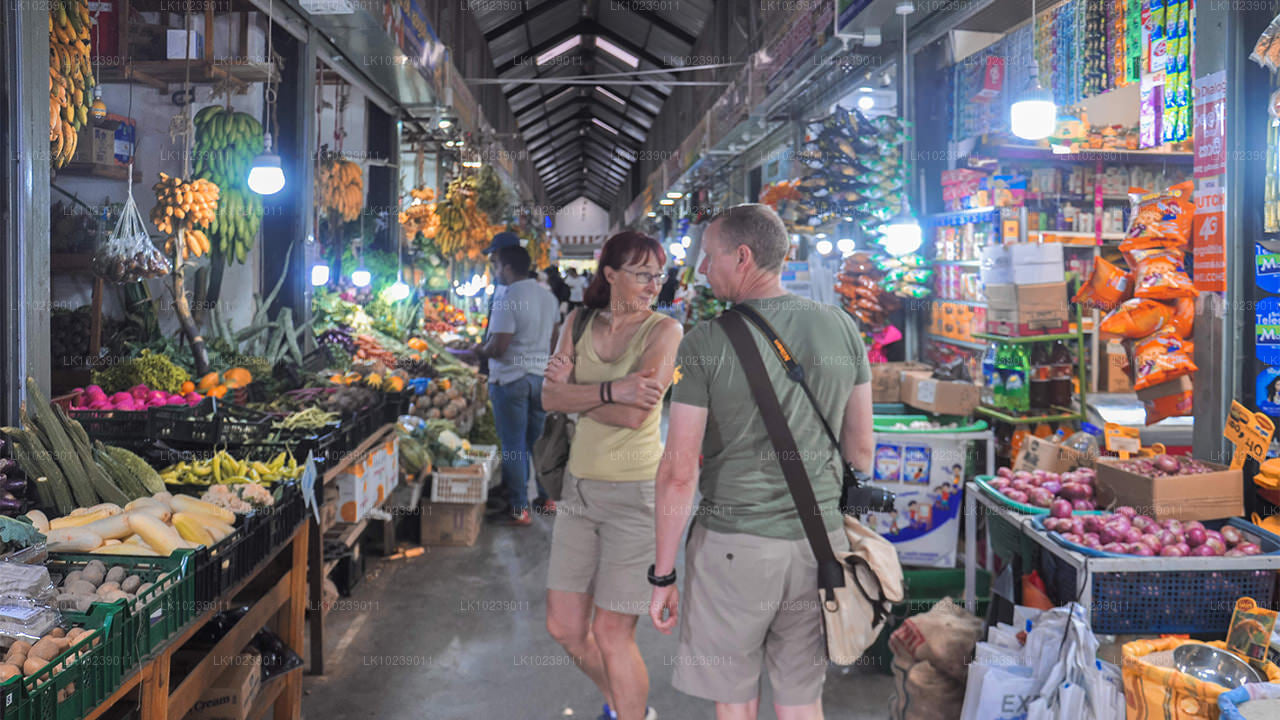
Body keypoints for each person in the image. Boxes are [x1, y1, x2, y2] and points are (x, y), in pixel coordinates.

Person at [648, 204, 874, 720]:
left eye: (709, 257)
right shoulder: (842, 327)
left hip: (735, 551)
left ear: (743, 256)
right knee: (801, 700)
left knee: (736, 699)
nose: (703, 269)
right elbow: (861, 451)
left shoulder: (703, 343)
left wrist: (663, 576)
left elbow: (679, 471)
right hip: (820, 547)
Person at [542, 232, 683, 720]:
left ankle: (630, 714)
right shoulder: (577, 322)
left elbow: (635, 417)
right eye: (642, 274)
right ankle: (630, 706)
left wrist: (578, 391)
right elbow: (548, 399)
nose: (652, 284)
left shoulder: (665, 331)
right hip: (577, 491)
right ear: (610, 274)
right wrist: (613, 390)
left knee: (611, 633)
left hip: (635, 499)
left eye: (658, 275)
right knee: (563, 627)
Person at [469, 245, 561, 525]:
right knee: (537, 443)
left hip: (511, 380)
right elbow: (556, 339)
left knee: (513, 446)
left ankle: (520, 508)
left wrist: (478, 350)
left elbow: (499, 347)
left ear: (507, 268)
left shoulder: (508, 298)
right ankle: (546, 499)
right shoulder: (549, 298)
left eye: (497, 266)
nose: (496, 272)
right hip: (540, 378)